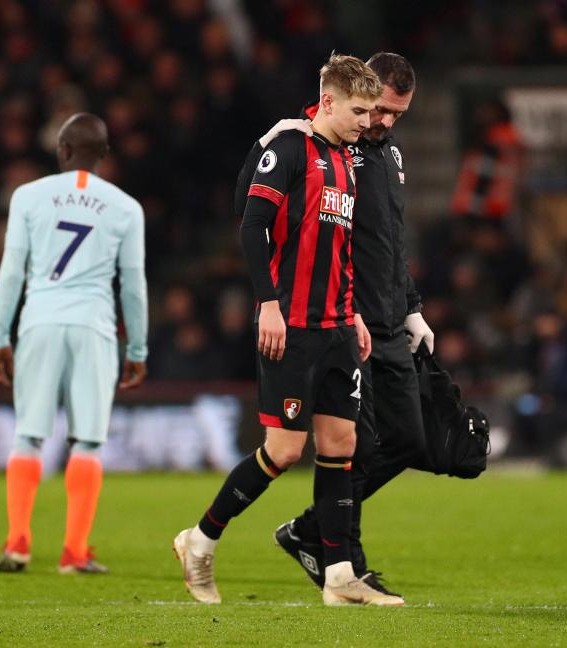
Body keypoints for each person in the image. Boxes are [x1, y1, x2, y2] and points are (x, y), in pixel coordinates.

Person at [172, 54, 402, 607]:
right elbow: (250, 224)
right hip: (291, 324)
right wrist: (268, 304)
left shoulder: (347, 159)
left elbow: (339, 248)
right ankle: (200, 538)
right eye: (359, 110)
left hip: (336, 325)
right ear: (327, 101)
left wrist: (352, 314)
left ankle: (340, 575)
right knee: (280, 451)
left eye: (373, 111)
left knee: (341, 444)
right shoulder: (289, 147)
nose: (367, 121)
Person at [237, 53, 434, 598]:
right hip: (338, 318)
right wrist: (260, 148)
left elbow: (390, 239)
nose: (383, 123)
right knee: (348, 444)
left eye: (394, 114)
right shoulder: (309, 143)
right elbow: (251, 214)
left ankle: (310, 532)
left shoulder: (383, 153)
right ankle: (344, 566)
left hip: (382, 318)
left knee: (406, 440)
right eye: (377, 111)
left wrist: (411, 304)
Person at [0, 112, 148, 574]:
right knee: (88, 442)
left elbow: (12, 269)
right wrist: (136, 348)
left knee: (28, 433)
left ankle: (18, 541)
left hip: (39, 321)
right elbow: (133, 286)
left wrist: (0, 335)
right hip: (94, 327)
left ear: (61, 150)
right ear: (104, 156)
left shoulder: (28, 197)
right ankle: (74, 551)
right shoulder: (124, 207)